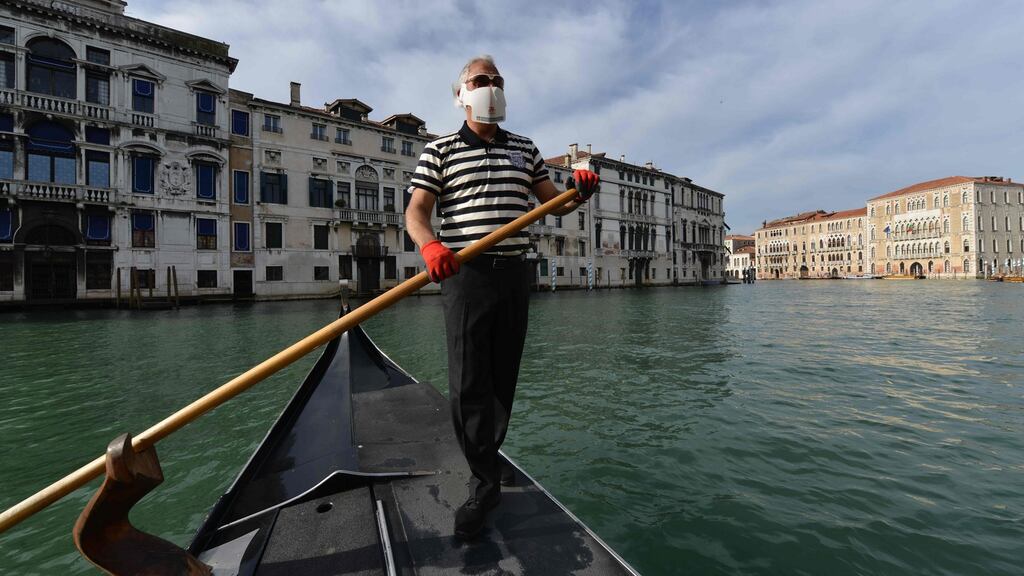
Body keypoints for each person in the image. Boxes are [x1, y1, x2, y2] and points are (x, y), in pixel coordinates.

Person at [405, 55, 599, 539]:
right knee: (468, 377)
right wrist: (430, 246)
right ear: (461, 94)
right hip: (465, 272)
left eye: (496, 80)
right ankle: (483, 478)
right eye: (480, 80)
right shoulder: (441, 150)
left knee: (501, 375)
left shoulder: (525, 149)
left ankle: (487, 461)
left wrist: (582, 190)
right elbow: (416, 211)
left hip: (514, 272)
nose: (490, 86)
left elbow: (555, 201)